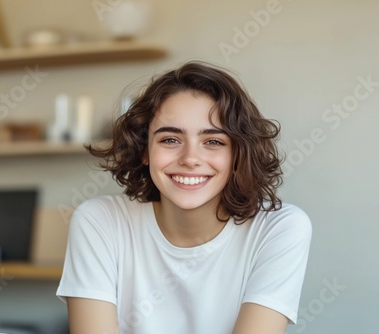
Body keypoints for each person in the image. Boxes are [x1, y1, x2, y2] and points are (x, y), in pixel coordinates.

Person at [56, 61, 312, 334]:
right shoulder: (100, 221)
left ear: (237, 154)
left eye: (213, 141)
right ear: (145, 150)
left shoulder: (279, 229)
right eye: (170, 140)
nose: (190, 159)